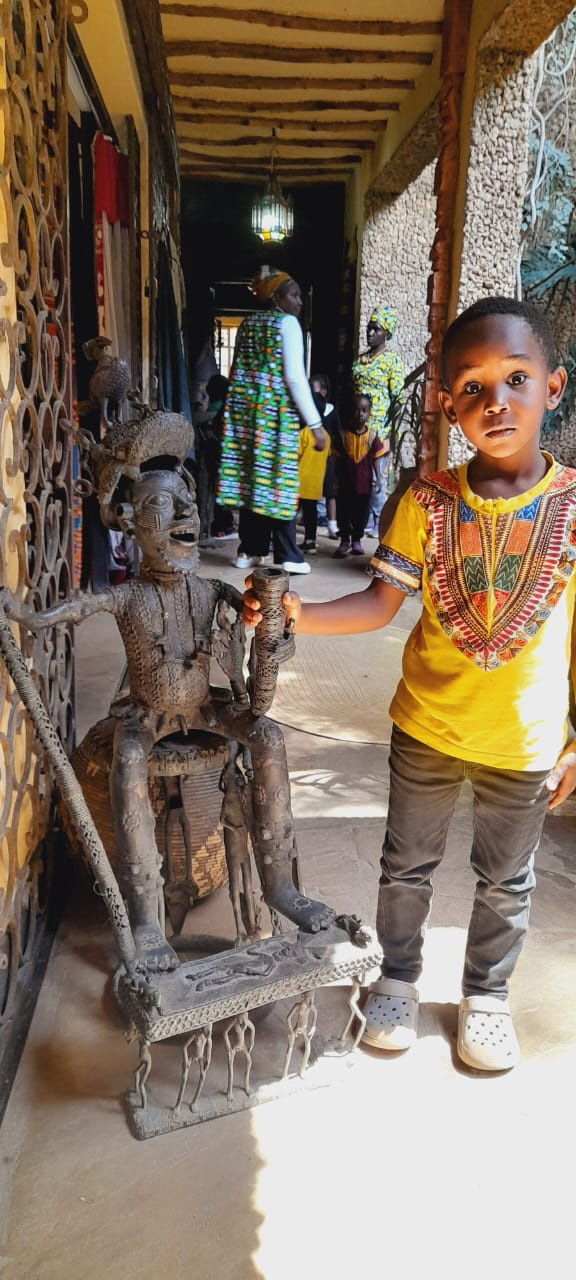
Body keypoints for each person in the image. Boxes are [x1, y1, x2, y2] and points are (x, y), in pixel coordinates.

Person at [244, 296, 576, 1073]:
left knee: (506, 879)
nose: (495, 402)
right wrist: (292, 613)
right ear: (447, 403)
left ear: (553, 389)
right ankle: (397, 977)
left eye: (516, 379)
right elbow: (376, 604)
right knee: (406, 865)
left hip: (526, 742)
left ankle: (486, 995)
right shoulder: (424, 503)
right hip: (427, 728)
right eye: (472, 387)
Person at [217, 266, 325, 576]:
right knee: (280, 482)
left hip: (246, 415)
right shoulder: (287, 324)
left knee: (254, 480)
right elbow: (294, 377)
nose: (299, 302)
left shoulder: (248, 324)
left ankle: (250, 550)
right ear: (276, 298)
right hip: (275, 416)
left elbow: (236, 368)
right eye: (294, 295)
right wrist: (315, 424)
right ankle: (288, 554)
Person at [352, 306, 405, 535]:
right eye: (369, 328)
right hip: (357, 427)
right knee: (356, 478)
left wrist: (388, 431)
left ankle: (378, 520)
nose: (370, 333)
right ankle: (359, 519)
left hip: (379, 430)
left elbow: (398, 399)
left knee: (376, 478)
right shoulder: (360, 361)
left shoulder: (392, 363)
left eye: (376, 329)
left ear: (386, 333)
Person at [332, 393, 386, 558]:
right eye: (356, 410)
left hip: (364, 485)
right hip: (345, 484)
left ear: (369, 413)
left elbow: (377, 458)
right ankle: (344, 541)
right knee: (344, 513)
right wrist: (333, 480)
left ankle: (356, 540)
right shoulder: (343, 436)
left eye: (364, 410)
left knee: (361, 514)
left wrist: (378, 479)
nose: (360, 414)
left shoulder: (372, 437)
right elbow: (336, 460)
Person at [297, 390, 330, 554]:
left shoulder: (303, 434)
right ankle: (310, 541)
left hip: (299, 481)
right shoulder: (326, 437)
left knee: (291, 515)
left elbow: (295, 456)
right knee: (312, 514)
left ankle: (283, 542)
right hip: (316, 483)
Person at [310, 373, 342, 539]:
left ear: (323, 391)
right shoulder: (308, 412)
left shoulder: (331, 411)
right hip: (311, 458)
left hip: (327, 458)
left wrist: (339, 454)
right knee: (311, 493)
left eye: (313, 391)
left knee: (330, 492)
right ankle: (312, 528)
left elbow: (338, 434)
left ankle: (332, 525)